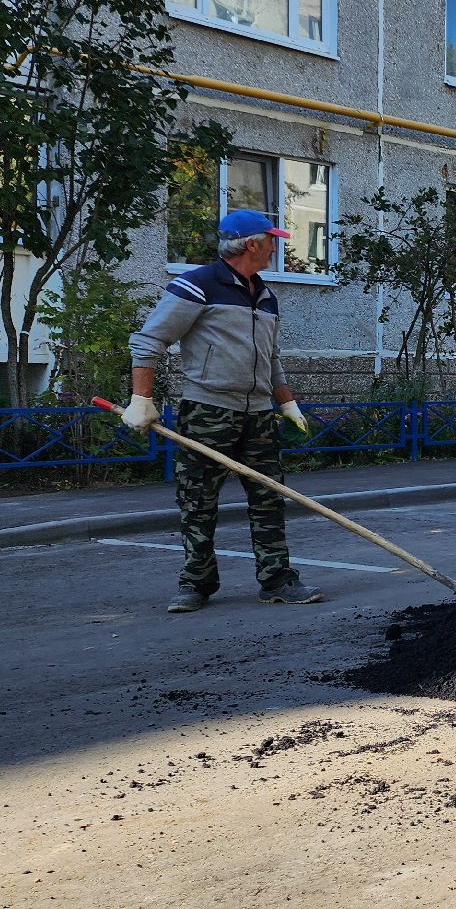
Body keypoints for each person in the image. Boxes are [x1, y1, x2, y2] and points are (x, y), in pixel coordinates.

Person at [124, 209, 324, 613]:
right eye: (271, 240)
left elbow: (271, 358)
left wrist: (285, 400)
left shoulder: (266, 296)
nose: (274, 247)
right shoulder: (197, 286)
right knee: (198, 501)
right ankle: (195, 584)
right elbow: (148, 342)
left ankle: (277, 580)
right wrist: (141, 400)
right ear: (252, 244)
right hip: (208, 412)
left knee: (270, 497)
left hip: (258, 414)